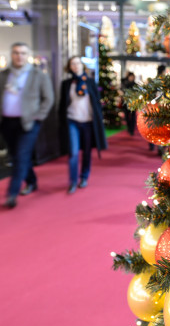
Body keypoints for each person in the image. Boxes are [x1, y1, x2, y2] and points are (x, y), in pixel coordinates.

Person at [0, 42, 54, 208]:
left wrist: (39, 116)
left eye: (23, 53)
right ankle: (32, 180)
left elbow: (48, 98)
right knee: (17, 156)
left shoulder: (38, 75)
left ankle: (12, 194)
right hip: (7, 123)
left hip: (29, 123)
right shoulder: (4, 75)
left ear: (28, 55)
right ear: (12, 54)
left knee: (21, 156)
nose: (19, 56)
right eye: (16, 53)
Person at [58, 56, 107, 194]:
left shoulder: (90, 82)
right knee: (73, 152)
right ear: (69, 67)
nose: (76, 66)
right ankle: (73, 181)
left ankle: (84, 177)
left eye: (78, 63)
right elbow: (62, 104)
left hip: (88, 122)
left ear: (82, 65)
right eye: (72, 63)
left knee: (86, 152)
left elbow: (97, 103)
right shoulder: (66, 84)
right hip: (72, 121)